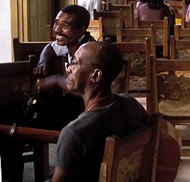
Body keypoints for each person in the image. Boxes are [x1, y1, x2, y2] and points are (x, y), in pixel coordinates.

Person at [0, 5, 92, 181]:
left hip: (79, 117)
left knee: (11, 132)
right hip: (66, 108)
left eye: (65, 25)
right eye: (56, 23)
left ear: (81, 30)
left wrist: (55, 80)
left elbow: (84, 88)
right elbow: (50, 47)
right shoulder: (69, 44)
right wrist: (43, 61)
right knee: (8, 119)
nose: (57, 29)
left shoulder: (89, 51)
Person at [51, 41, 149, 181]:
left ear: (95, 75)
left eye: (74, 63)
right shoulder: (132, 105)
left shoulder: (74, 134)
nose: (68, 69)